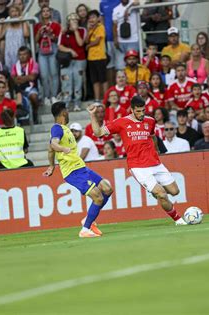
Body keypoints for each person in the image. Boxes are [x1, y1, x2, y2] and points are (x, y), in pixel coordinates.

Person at [88, 96, 187, 225]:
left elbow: (152, 136)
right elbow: (98, 132)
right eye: (138, 111)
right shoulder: (121, 122)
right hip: (138, 166)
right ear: (132, 110)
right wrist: (93, 115)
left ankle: (154, 191)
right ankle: (178, 219)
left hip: (155, 163)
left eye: (143, 110)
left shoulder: (150, 121)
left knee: (175, 191)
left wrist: (156, 149)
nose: (141, 114)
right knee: (162, 194)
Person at [44, 101, 113, 238]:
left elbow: (50, 150)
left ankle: (88, 219)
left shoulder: (66, 129)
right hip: (72, 172)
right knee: (98, 197)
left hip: (81, 167)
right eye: (67, 111)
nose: (68, 113)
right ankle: (85, 229)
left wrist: (51, 166)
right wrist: (63, 149)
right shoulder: (57, 128)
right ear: (63, 112)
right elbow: (53, 144)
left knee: (107, 189)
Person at [58, 13, 87, 112]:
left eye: (76, 20)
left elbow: (80, 43)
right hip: (66, 61)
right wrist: (70, 51)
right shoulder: (63, 32)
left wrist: (75, 31)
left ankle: (77, 104)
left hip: (80, 60)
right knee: (66, 82)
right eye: (72, 20)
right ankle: (66, 103)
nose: (74, 21)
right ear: (68, 22)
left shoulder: (82, 30)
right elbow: (60, 46)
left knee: (78, 82)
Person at [34, 6, 61, 105]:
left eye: (47, 11)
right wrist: (39, 32)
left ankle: (54, 95)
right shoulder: (37, 25)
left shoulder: (56, 25)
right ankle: (46, 96)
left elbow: (58, 40)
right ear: (41, 14)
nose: (45, 13)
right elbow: (35, 40)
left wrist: (50, 33)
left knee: (54, 73)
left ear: (51, 13)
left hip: (53, 49)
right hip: (42, 51)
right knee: (44, 75)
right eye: (43, 11)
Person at [86, 10, 108, 102]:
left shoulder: (101, 27)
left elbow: (97, 40)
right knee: (95, 80)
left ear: (98, 18)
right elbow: (86, 41)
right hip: (91, 58)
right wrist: (88, 30)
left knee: (103, 79)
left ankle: (106, 99)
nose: (92, 19)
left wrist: (88, 46)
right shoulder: (90, 29)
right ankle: (97, 99)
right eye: (90, 18)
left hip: (100, 57)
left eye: (93, 17)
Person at [112, 0, 140, 70]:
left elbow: (137, 2)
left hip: (133, 41)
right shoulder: (116, 9)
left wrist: (128, 9)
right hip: (120, 42)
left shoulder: (133, 5)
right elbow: (114, 25)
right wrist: (115, 39)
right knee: (120, 66)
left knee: (132, 64)